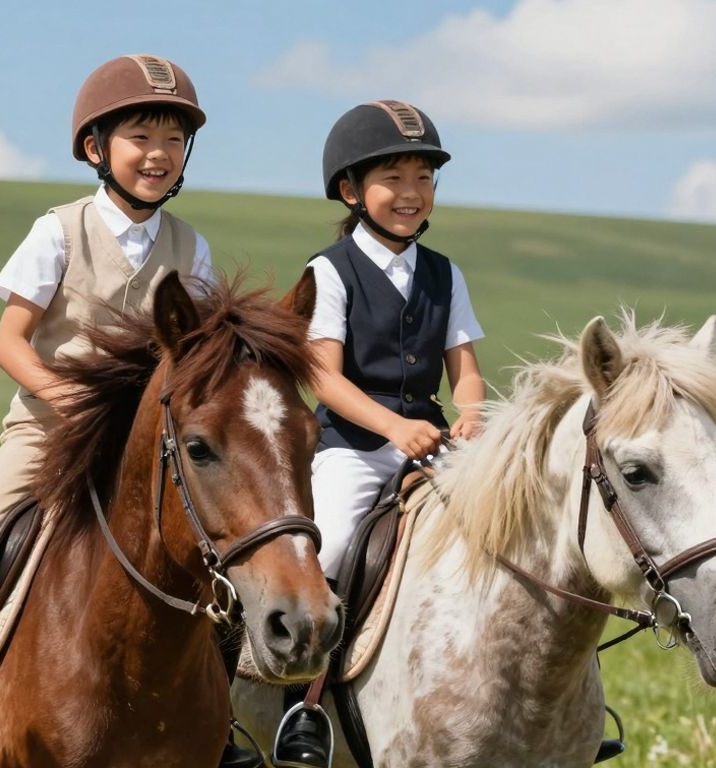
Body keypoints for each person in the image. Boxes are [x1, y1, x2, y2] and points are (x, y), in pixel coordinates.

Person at [0, 54, 261, 768]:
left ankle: (223, 726)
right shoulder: (58, 230)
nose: (158, 155)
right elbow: (9, 340)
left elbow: (203, 357)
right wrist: (68, 399)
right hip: (51, 432)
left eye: (173, 141)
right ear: (97, 149)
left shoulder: (193, 247)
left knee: (217, 552)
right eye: (141, 138)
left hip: (150, 444)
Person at [272, 100, 486, 768]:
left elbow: (467, 372)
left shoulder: (445, 272)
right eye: (394, 178)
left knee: (508, 540)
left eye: (424, 178)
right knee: (327, 552)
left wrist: (473, 413)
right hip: (352, 449)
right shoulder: (328, 271)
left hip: (435, 447)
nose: (412, 193)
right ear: (351, 190)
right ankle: (301, 710)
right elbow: (323, 378)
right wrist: (395, 425)